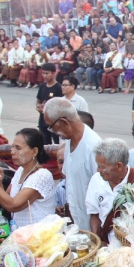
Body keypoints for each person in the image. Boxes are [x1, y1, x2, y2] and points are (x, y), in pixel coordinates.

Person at [43, 97, 101, 228]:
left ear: (64, 122)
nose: (53, 132)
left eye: (52, 127)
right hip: (75, 222)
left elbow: (102, 193)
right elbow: (71, 181)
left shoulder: (93, 147)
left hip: (92, 227)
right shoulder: (69, 142)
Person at [87, 138, 134, 242]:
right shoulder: (96, 180)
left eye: (102, 167)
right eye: (98, 166)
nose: (98, 170)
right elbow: (94, 214)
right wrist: (97, 241)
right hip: (106, 244)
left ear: (119, 166)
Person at [0, 128, 54, 227]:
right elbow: (6, 200)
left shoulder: (42, 176)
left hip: (39, 236)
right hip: (21, 235)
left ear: (34, 151)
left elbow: (13, 205)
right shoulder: (21, 170)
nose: (12, 151)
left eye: (18, 148)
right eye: (12, 147)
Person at [36, 63, 63, 144]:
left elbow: (60, 105)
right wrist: (38, 107)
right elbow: (38, 100)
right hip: (42, 120)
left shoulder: (58, 87)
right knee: (45, 143)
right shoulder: (42, 86)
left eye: (47, 73)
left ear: (54, 73)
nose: (44, 75)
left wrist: (46, 110)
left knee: (57, 143)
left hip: (54, 122)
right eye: (43, 73)